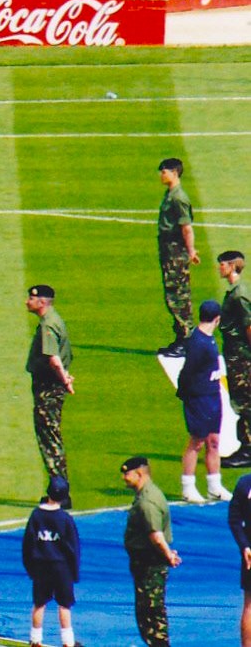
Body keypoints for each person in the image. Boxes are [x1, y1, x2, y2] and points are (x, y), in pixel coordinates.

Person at [176, 300, 232, 504]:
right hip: (199, 397)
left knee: (213, 441)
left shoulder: (207, 338)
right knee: (197, 442)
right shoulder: (198, 342)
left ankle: (214, 486)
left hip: (212, 395)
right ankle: (188, 487)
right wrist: (186, 395)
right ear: (217, 319)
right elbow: (187, 372)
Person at [121, 455, 178, 647]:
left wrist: (168, 555)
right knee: (147, 610)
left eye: (127, 474)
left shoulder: (147, 501)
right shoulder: (147, 494)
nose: (124, 478)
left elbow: (156, 535)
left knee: (150, 611)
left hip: (149, 564)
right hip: (146, 563)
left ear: (139, 474)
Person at [26, 285, 75, 493]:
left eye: (31, 298)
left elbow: (54, 359)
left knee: (49, 439)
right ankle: (59, 488)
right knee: (51, 436)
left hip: (48, 387)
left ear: (42, 302)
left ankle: (59, 491)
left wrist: (65, 380)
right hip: (52, 385)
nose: (27, 301)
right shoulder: (54, 319)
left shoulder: (48, 324)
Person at [22, 476, 81, 647]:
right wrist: (74, 572)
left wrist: (30, 568)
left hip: (41, 566)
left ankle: (35, 639)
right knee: (64, 605)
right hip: (61, 567)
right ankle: (68, 642)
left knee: (39, 603)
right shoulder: (65, 519)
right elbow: (73, 547)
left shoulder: (36, 516)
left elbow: (28, 544)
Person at [156, 157, 199, 356]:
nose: (161, 175)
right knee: (172, 294)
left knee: (178, 295)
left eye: (164, 171)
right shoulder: (170, 194)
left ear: (174, 172)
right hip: (168, 249)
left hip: (175, 251)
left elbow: (186, 227)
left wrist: (191, 251)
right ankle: (181, 338)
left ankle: (187, 339)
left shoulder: (178, 198)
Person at [220, 251, 251, 469]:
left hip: (241, 357)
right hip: (236, 354)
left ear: (232, 266)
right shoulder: (237, 291)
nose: (220, 268)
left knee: (245, 402)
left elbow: (249, 326)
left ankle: (248, 450)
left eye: (223, 264)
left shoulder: (239, 295)